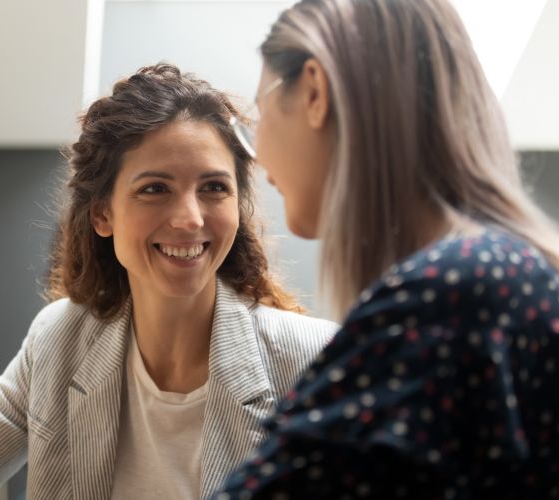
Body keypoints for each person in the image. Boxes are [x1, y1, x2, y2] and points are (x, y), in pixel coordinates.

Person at [0, 63, 336, 500]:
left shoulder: (313, 362)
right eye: (155, 189)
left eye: (214, 187)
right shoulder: (60, 341)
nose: (190, 218)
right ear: (102, 214)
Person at [215, 0, 559, 498]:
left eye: (261, 114)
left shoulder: (450, 295)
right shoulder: (500, 277)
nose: (259, 154)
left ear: (314, 90)